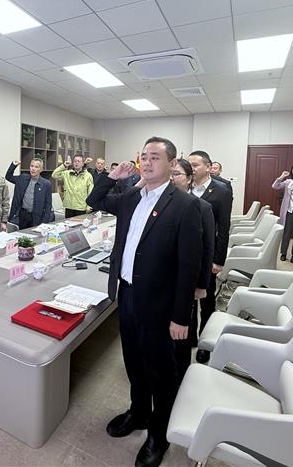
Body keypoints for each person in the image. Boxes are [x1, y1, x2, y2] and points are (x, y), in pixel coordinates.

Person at [87, 137, 202, 467]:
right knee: (133, 362)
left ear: (171, 164)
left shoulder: (185, 205)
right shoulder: (132, 197)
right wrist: (113, 176)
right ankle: (138, 412)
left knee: (160, 372)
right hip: (127, 295)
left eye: (155, 157)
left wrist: (181, 317)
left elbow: (189, 266)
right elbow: (95, 200)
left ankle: (158, 434)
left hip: (160, 304)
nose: (147, 162)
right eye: (143, 157)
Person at [170, 159, 213, 383]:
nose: (172, 178)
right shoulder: (160, 204)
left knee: (183, 329)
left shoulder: (202, 207)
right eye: (170, 173)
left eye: (177, 174)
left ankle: (181, 375)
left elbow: (207, 249)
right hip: (163, 280)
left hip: (186, 279)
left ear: (189, 179)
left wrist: (201, 284)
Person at [188, 150, 231, 364]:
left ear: (207, 167)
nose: (191, 168)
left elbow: (224, 227)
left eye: (195, 165)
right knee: (187, 298)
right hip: (185, 253)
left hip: (207, 253)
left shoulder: (221, 190)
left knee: (206, 300)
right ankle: (190, 337)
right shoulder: (183, 187)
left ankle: (205, 342)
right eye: (189, 165)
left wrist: (218, 259)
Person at [5, 158, 53, 229]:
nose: (33, 169)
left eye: (36, 167)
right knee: (21, 233)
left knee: (34, 233)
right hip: (23, 214)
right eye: (31, 166)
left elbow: (48, 205)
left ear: (41, 169)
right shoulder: (22, 178)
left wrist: (45, 221)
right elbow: (8, 177)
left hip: (36, 216)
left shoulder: (46, 184)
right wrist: (13, 166)